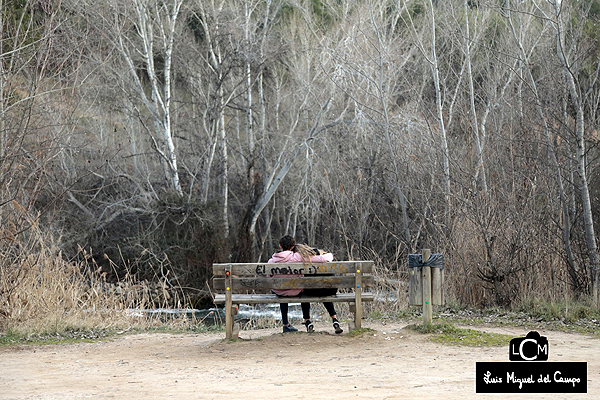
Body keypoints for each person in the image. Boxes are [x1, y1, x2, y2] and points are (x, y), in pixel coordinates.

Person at [267, 235, 343, 334]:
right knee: (307, 289)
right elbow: (323, 259)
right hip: (297, 291)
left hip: (280, 292)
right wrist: (329, 255)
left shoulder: (271, 261)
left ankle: (287, 324)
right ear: (293, 246)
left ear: (280, 246)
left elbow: (269, 279)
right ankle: (331, 319)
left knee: (284, 289)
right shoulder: (297, 257)